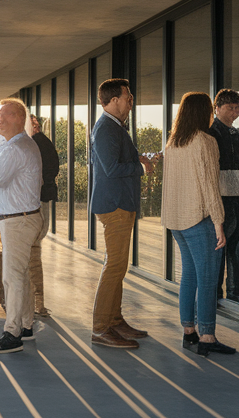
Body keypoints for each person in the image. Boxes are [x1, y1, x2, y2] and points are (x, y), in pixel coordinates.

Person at [162, 92, 232, 357]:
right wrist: (219, 222)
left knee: (189, 275)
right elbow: (210, 186)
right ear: (204, 112)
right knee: (208, 279)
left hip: (176, 222)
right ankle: (207, 336)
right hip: (198, 220)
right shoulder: (205, 141)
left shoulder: (173, 144)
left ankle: (189, 332)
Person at [88, 78, 155, 348]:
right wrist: (140, 168)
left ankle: (115, 321)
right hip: (114, 205)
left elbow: (117, 162)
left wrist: (139, 160)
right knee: (115, 266)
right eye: (128, 96)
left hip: (121, 204)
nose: (131, 101)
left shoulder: (114, 126)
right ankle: (101, 328)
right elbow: (111, 169)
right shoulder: (105, 128)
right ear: (113, 100)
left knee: (118, 266)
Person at [0, 100, 45, 354]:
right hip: (24, 217)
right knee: (22, 274)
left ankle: (12, 333)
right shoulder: (17, 143)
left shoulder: (15, 149)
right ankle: (26, 325)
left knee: (12, 277)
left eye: (4, 115)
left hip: (18, 220)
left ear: (18, 118)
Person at [208, 90, 239, 301]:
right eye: (231, 108)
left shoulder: (234, 133)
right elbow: (212, 169)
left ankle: (236, 292)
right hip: (222, 196)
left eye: (238, 107)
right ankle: (217, 293)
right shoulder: (212, 133)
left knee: (235, 244)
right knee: (222, 245)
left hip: (236, 193)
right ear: (217, 108)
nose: (236, 112)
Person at [25, 114, 59, 318]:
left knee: (33, 253)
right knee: (32, 254)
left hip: (35, 203)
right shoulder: (37, 143)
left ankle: (37, 302)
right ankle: (36, 302)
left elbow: (47, 173)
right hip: (36, 202)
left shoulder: (38, 144)